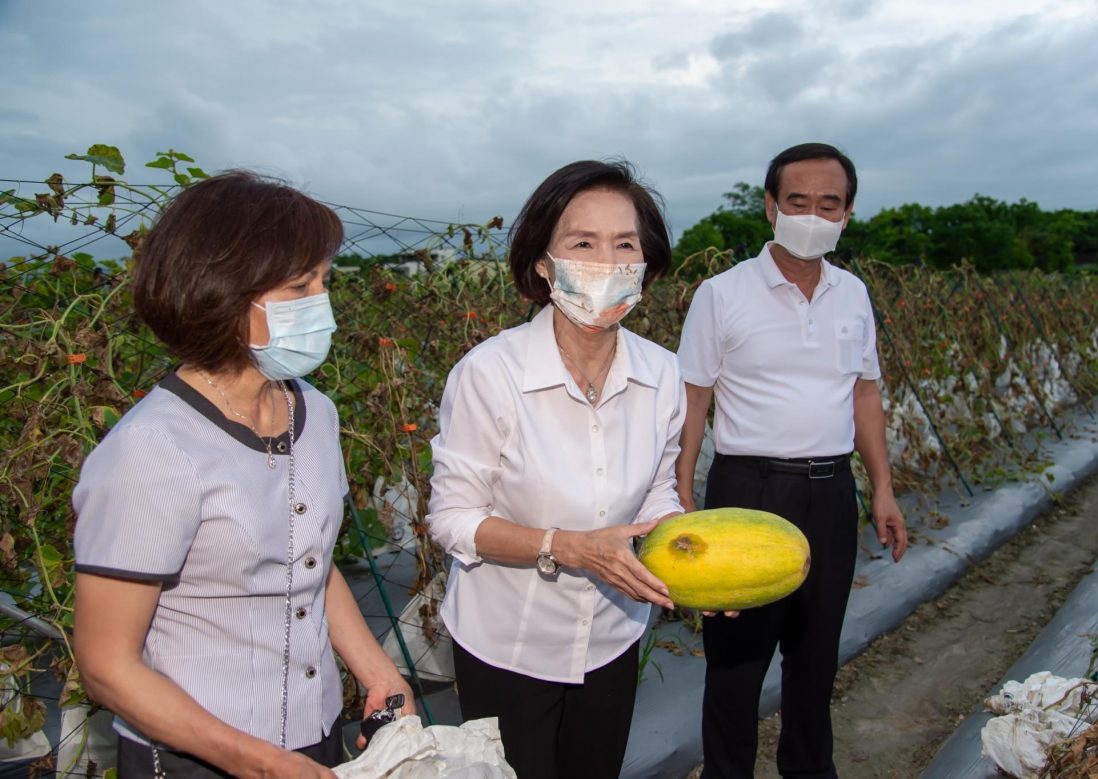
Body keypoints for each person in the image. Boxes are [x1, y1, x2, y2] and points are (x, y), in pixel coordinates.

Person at [72, 171, 415, 778]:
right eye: (298, 285)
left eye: (323, 282)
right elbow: (106, 664)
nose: (321, 304)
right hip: (199, 755)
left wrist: (379, 674)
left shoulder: (315, 413)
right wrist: (254, 762)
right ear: (222, 293)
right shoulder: (152, 450)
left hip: (313, 734)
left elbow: (311, 562)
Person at [426, 160, 684, 778]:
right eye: (582, 243)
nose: (606, 260)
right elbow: (453, 519)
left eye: (625, 243)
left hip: (612, 636)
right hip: (507, 645)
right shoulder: (492, 374)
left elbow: (659, 491)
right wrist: (565, 547)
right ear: (544, 262)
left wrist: (699, 561)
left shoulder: (663, 374)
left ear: (645, 260)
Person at [675, 142, 908, 779]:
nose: (812, 214)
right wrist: (681, 499)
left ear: (847, 213)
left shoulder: (853, 294)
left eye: (827, 204)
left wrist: (881, 488)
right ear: (771, 207)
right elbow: (693, 401)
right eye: (797, 201)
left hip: (832, 491)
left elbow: (865, 392)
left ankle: (809, 769)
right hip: (748, 491)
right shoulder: (722, 295)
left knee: (815, 656)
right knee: (736, 663)